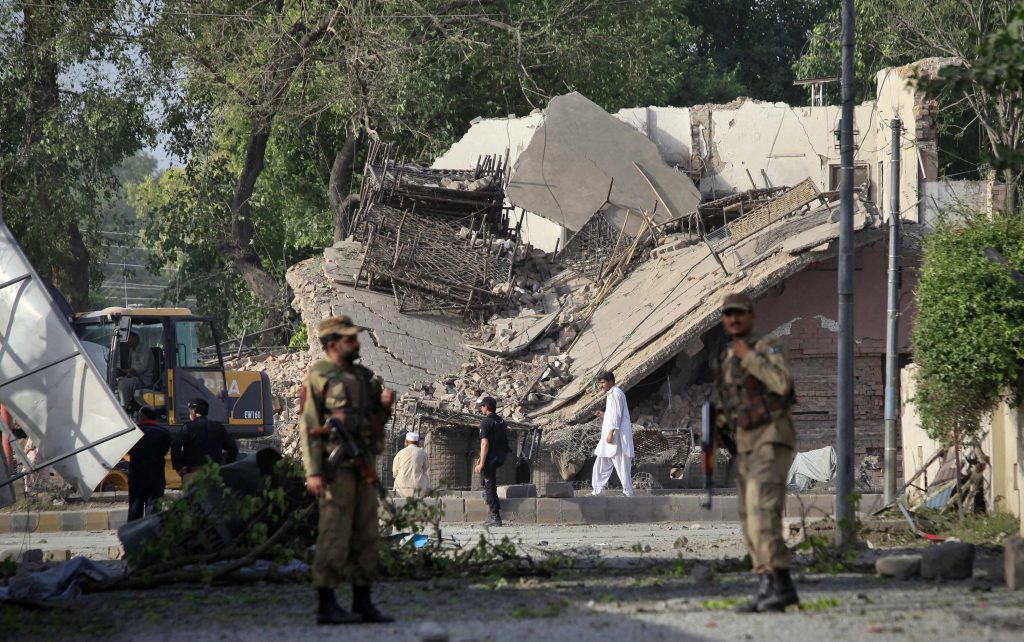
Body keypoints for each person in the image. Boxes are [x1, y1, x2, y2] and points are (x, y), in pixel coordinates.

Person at [299, 315, 395, 625]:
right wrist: (313, 471)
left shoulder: (364, 377)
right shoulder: (319, 376)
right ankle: (327, 604)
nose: (356, 343)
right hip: (335, 468)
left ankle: (362, 601)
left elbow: (375, 422)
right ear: (332, 344)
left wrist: (384, 406)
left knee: (366, 533)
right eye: (349, 339)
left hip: (363, 465)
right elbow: (309, 426)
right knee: (334, 532)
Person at [711, 292, 799, 613]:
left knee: (763, 510)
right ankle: (766, 583)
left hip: (772, 436)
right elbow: (727, 402)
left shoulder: (766, 345)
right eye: (728, 315)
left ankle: (783, 584)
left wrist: (748, 356)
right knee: (749, 517)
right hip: (746, 444)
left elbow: (782, 383)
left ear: (751, 316)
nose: (733, 319)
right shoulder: (726, 357)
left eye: (739, 313)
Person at [171, 398, 238, 487]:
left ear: (193, 412)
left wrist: (178, 467)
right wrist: (226, 466)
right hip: (214, 474)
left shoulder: (188, 427)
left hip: (193, 473)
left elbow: (176, 446)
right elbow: (233, 448)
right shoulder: (219, 427)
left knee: (193, 500)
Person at [591, 371, 635, 497]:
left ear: (611, 382)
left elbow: (616, 416)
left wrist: (611, 433)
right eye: (600, 383)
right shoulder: (612, 394)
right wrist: (604, 415)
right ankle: (597, 490)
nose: (601, 385)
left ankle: (628, 492)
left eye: (603, 382)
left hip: (616, 437)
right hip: (610, 437)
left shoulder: (615, 393)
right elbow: (613, 414)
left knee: (621, 464)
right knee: (601, 462)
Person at [127, 406, 171, 521]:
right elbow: (165, 451)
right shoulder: (164, 433)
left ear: (142, 416)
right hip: (156, 478)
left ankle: (133, 537)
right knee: (154, 512)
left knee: (135, 509)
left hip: (137, 478)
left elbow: (128, 451)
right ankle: (151, 537)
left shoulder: (133, 433)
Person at [474, 396, 509, 527]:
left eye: (482, 406)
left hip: (491, 458)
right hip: (501, 456)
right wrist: (481, 458)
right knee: (487, 482)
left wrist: (481, 463)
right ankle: (490, 503)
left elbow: (485, 444)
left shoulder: (485, 422)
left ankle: (495, 516)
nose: (481, 409)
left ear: (486, 407)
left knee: (489, 485)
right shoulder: (501, 421)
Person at [117, 332, 156, 409]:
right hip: (134, 377)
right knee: (116, 381)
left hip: (143, 380)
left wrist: (131, 370)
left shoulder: (144, 349)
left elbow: (143, 367)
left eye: (129, 338)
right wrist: (122, 369)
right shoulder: (132, 350)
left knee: (123, 384)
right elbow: (129, 364)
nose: (127, 340)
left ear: (136, 338)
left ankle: (124, 408)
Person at [392, 432, 431, 498]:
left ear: (406, 442)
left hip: (401, 488)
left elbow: (395, 473)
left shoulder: (400, 453)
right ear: (418, 442)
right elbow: (425, 468)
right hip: (419, 488)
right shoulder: (423, 453)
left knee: (397, 478)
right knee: (426, 477)